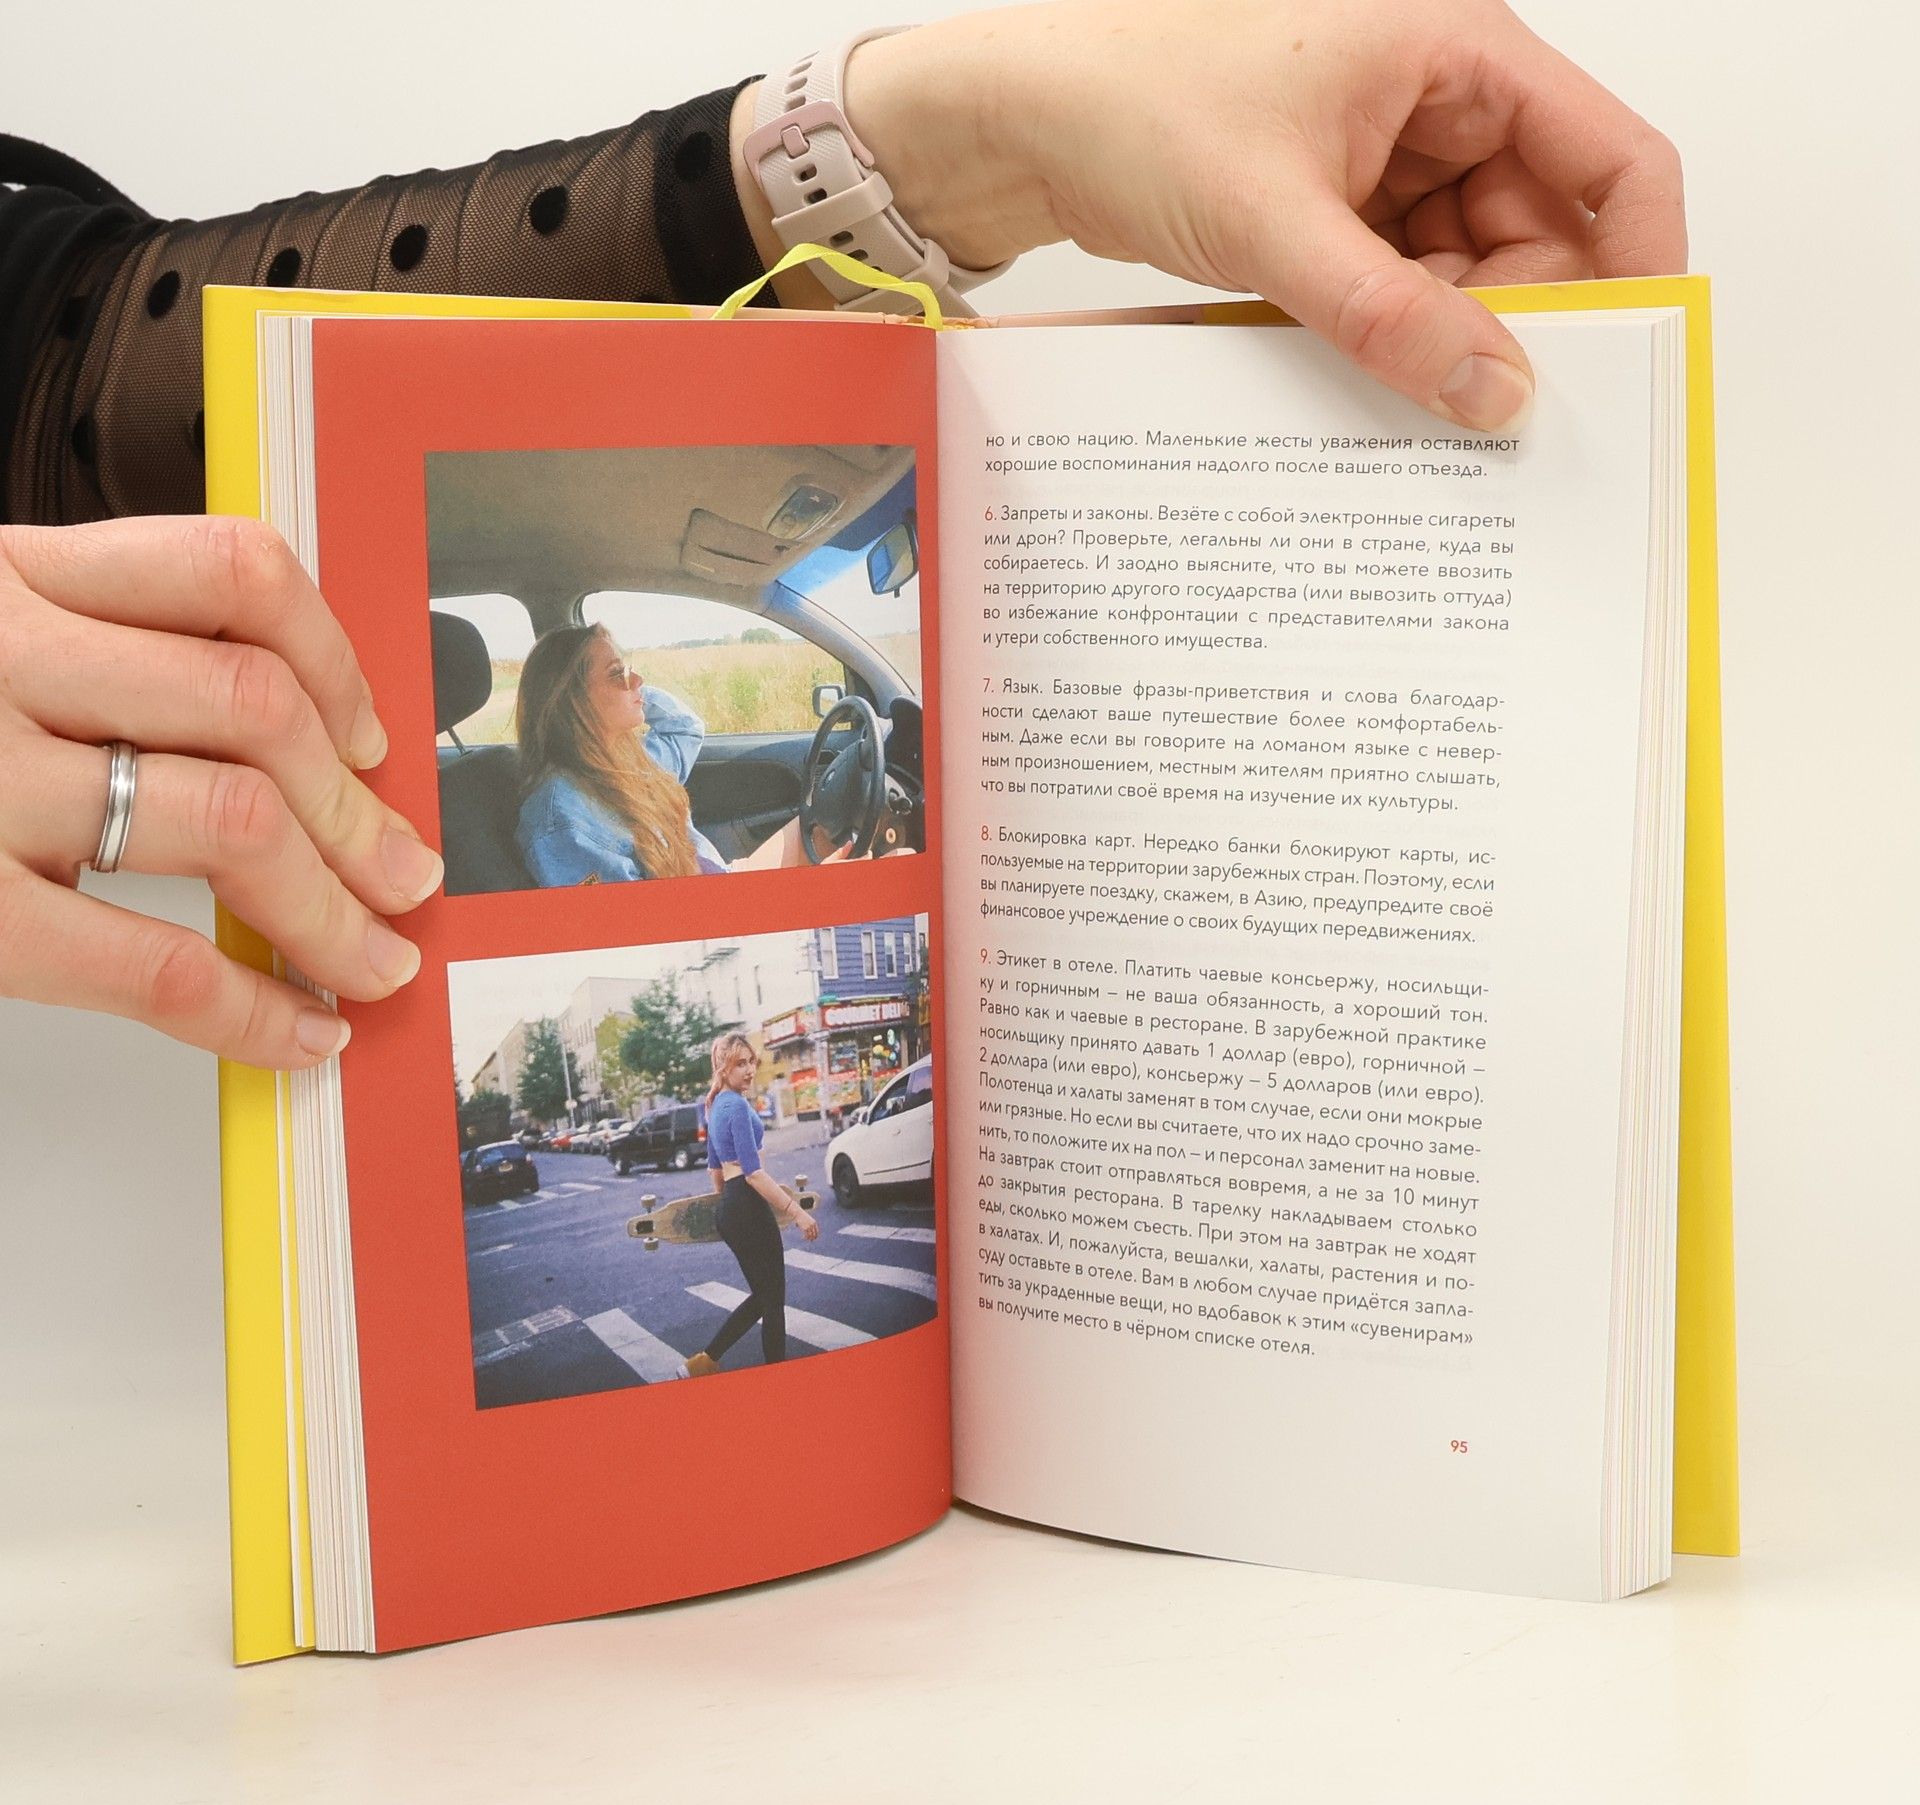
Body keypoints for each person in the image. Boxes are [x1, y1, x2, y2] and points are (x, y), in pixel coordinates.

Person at [0, 0, 1686, 1065]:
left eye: (629, 675)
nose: (641, 691)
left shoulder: (641, 752)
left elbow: (71, 355)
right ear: (571, 707)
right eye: (615, 679)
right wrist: (802, 862)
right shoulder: (567, 816)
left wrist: (959, 135)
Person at [512, 622, 840, 886]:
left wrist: (630, 694)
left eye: (628, 670)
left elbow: (685, 727)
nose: (637, 680)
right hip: (705, 920)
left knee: (830, 825)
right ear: (571, 700)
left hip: (718, 879)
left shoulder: (631, 760)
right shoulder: (560, 819)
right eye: (617, 674)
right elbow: (634, 930)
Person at [684, 1032, 820, 1377]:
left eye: (751, 1062)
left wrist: (724, 1209)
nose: (749, 1070)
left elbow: (715, 1170)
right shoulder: (736, 1106)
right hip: (747, 1205)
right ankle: (771, 1377)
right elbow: (754, 1174)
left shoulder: (715, 1107)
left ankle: (705, 1361)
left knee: (765, 1296)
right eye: (739, 1064)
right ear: (723, 1068)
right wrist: (797, 1212)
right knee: (773, 1301)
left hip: (733, 1209)